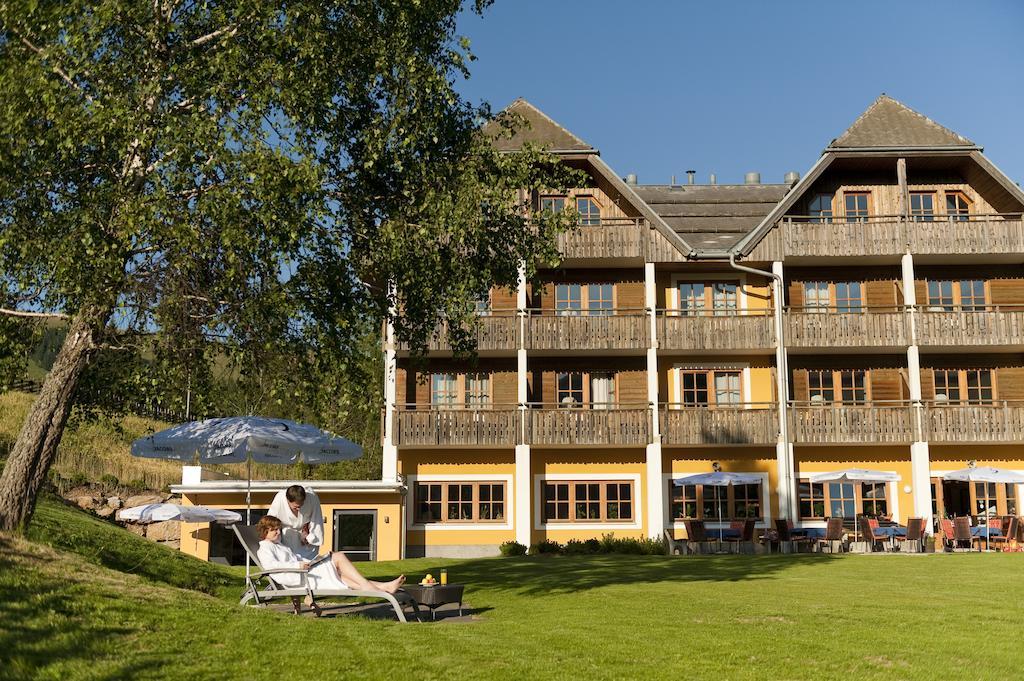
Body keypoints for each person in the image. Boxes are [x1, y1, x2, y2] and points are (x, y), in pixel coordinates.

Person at [256, 515, 405, 615]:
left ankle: (384, 587)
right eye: (273, 530)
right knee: (338, 557)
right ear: (264, 532)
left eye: (278, 529)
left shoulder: (280, 545)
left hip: (303, 574)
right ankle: (371, 587)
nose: (278, 532)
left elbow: (296, 558)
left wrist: (313, 560)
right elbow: (273, 568)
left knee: (342, 576)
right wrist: (298, 566)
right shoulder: (264, 549)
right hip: (299, 579)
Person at [268, 484, 324, 560]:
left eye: (301, 506)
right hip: (286, 536)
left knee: (309, 564)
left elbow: (317, 520)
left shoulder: (312, 498)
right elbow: (270, 522)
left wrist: (310, 537)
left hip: (306, 539)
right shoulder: (279, 499)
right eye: (296, 507)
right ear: (287, 500)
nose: (298, 509)